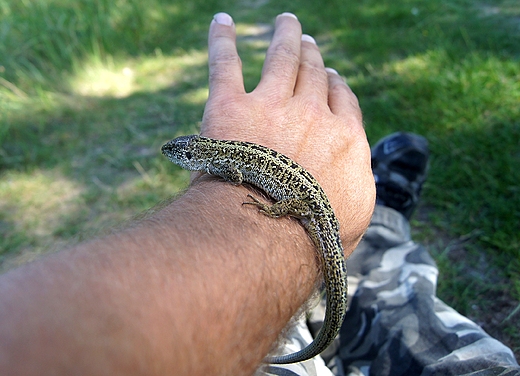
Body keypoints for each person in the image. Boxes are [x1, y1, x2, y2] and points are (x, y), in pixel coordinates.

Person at [0, 11, 517, 376]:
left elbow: (246, 174)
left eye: (180, 154)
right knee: (411, 309)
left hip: (304, 203)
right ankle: (383, 229)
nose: (177, 157)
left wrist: (271, 211)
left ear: (196, 154)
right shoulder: (220, 156)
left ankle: (373, 239)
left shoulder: (220, 160)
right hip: (310, 204)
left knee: (330, 298)